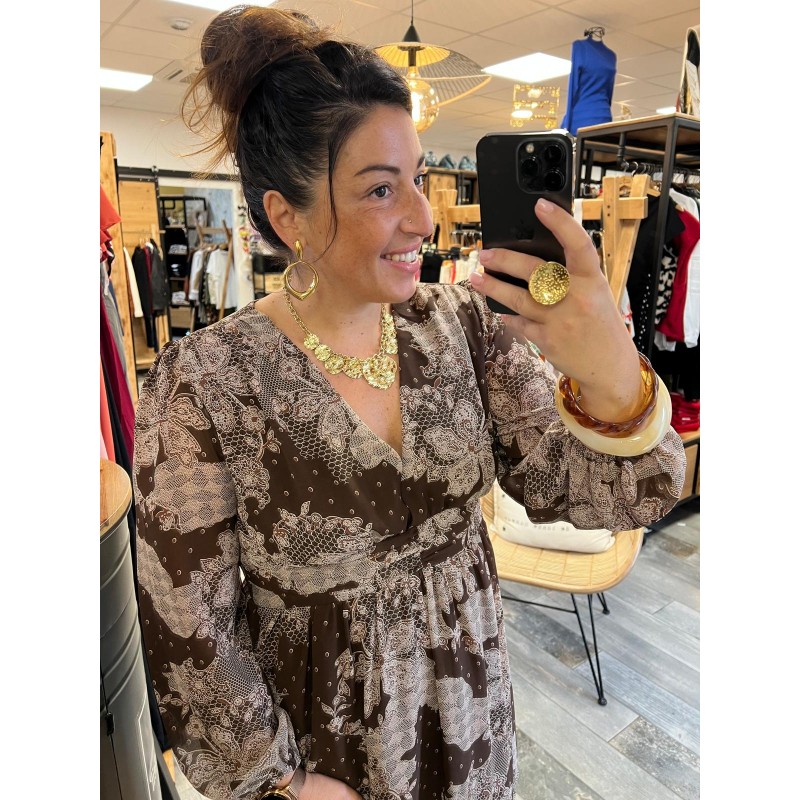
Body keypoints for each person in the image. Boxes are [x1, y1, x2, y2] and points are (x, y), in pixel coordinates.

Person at [133, 6, 687, 800]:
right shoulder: (207, 382)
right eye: (380, 189)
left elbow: (619, 496)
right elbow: (191, 631)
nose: (423, 219)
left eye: (418, 179)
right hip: (330, 760)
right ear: (286, 216)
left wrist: (609, 372)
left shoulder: (461, 327)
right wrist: (283, 783)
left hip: (475, 730)